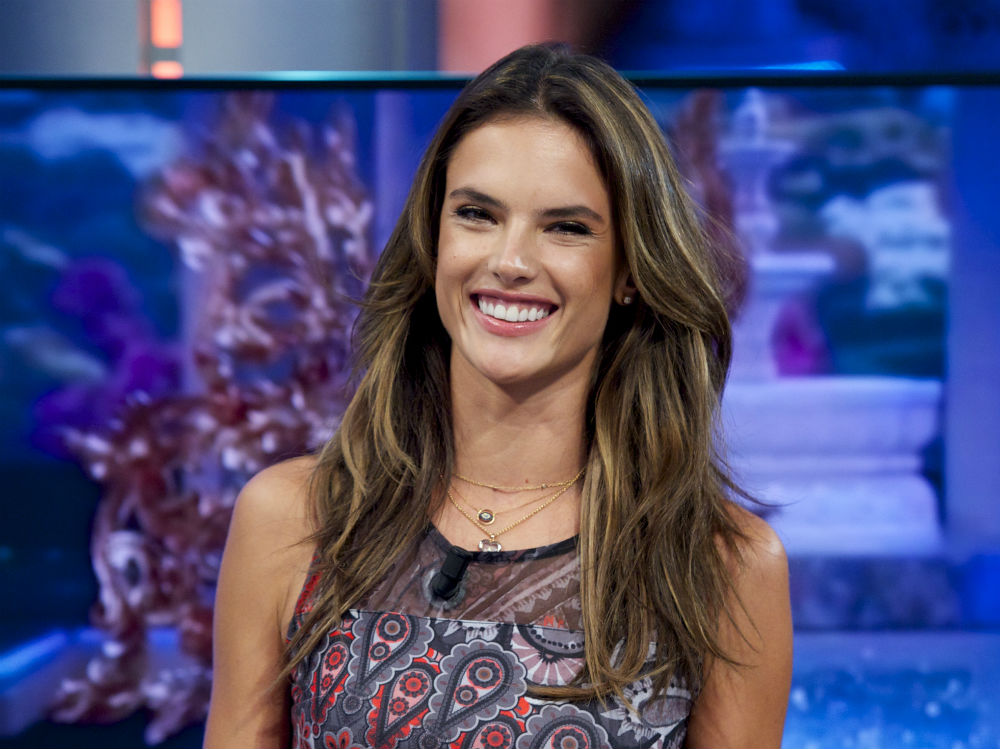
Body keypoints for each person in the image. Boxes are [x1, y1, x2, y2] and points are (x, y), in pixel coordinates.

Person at [204, 44, 792, 749]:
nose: (510, 262)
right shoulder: (293, 520)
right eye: (477, 214)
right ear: (433, 240)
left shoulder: (724, 567)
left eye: (566, 228)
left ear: (630, 272)